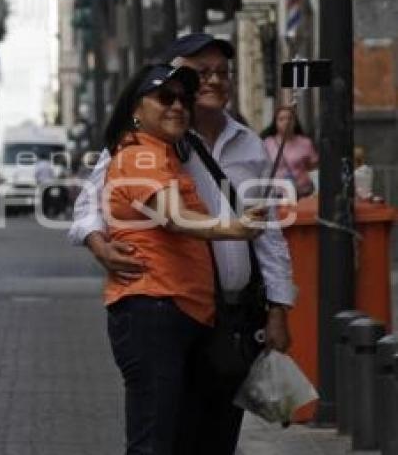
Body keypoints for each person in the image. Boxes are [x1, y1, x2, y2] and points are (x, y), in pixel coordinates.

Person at [70, 33, 296, 455]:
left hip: (230, 314)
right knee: (166, 434)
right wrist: (98, 244)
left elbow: (270, 236)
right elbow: (92, 202)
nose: (213, 81)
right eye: (200, 73)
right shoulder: (155, 140)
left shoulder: (249, 144)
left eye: (222, 73)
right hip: (170, 307)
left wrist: (279, 307)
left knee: (216, 435)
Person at [95, 63, 266, 454]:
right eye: (165, 97)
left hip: (182, 312)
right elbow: (174, 216)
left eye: (184, 99)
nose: (178, 107)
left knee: (180, 438)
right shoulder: (140, 156)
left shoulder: (169, 154)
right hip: (154, 309)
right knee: (154, 442)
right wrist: (235, 228)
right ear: (137, 109)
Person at [261, 106, 318, 197]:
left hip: (302, 193)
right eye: (281, 119)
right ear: (275, 123)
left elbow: (314, 167)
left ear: (295, 122)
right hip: (278, 195)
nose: (286, 122)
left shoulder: (305, 143)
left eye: (290, 118)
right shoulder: (268, 143)